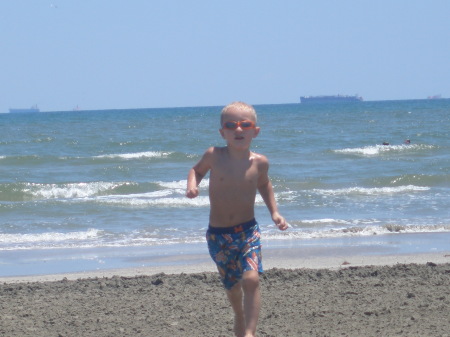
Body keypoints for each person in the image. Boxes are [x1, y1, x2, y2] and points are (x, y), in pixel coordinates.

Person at [186, 101, 288, 337]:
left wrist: (275, 212)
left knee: (251, 279)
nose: (238, 130)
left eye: (245, 124)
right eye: (231, 125)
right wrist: (192, 185)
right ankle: (240, 316)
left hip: (247, 232)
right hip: (218, 235)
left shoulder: (260, 162)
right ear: (223, 132)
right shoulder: (214, 155)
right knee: (232, 287)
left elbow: (264, 184)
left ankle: (250, 333)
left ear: (255, 131)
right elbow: (196, 170)